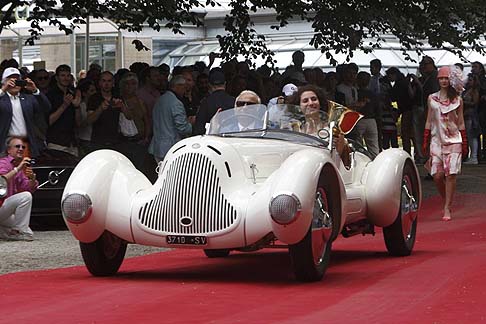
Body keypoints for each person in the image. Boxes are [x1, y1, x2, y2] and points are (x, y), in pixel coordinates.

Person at [423, 66, 466, 221]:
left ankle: (447, 206)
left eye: (446, 78)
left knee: (451, 174)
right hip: (436, 140)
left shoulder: (458, 100)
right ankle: (446, 199)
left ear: (451, 80)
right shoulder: (431, 98)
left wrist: (464, 139)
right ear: (437, 80)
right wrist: (425, 138)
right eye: (441, 78)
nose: (443, 81)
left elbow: (460, 121)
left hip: (454, 139)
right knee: (437, 175)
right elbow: (429, 119)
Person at [293, 84, 351, 168]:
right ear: (299, 106)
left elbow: (337, 160)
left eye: (314, 99)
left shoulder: (333, 131)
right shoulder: (295, 130)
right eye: (305, 101)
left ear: (320, 102)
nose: (310, 103)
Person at [0, 67, 47, 158]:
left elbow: (46, 107)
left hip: (26, 143)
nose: (14, 83)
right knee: (6, 171)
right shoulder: (2, 99)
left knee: (27, 171)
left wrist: (35, 90)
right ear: (3, 82)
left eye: (17, 80)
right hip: (6, 144)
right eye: (11, 80)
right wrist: (3, 89)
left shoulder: (28, 98)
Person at [148, 75, 194, 163]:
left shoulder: (160, 99)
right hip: (170, 147)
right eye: (184, 87)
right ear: (177, 86)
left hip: (157, 145)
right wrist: (191, 124)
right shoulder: (176, 103)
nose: (185, 91)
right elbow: (183, 129)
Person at [0, 136, 38, 241]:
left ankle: (14, 231)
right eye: (17, 146)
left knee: (29, 233)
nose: (21, 149)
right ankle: (18, 230)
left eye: (23, 147)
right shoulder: (3, 162)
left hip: (4, 210)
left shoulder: (18, 166)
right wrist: (17, 169)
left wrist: (32, 179)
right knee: (26, 196)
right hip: (1, 205)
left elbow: (27, 188)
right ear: (9, 150)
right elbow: (1, 180)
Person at [193, 68, 235, 135]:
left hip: (212, 140)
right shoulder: (234, 101)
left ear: (209, 85)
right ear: (225, 84)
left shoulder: (205, 102)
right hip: (230, 138)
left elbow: (199, 128)